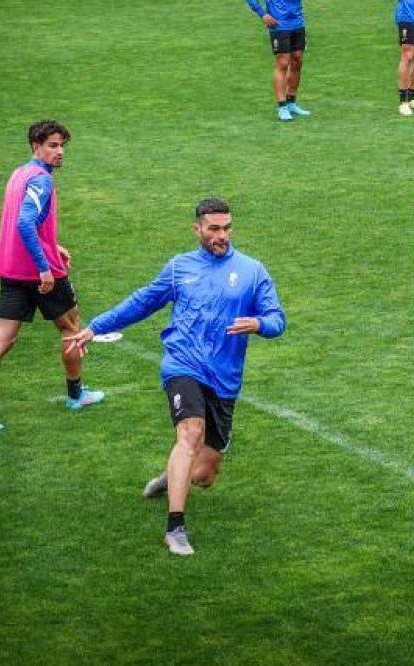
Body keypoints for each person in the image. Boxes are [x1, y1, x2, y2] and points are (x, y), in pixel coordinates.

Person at [64, 198, 286, 556]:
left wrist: (259, 323)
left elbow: (278, 320)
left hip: (225, 379)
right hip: (183, 365)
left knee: (205, 475)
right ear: (197, 229)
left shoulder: (252, 271)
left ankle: (172, 477)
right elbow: (142, 302)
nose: (222, 235)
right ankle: (175, 529)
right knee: (190, 434)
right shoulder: (179, 268)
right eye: (214, 229)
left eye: (227, 228)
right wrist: (96, 327)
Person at [0, 120, 105, 432]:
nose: (60, 151)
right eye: (52, 145)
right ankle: (76, 395)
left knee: (1, 338)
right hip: (41, 273)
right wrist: (43, 265)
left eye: (62, 145)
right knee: (71, 329)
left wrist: (53, 244)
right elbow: (25, 222)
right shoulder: (41, 180)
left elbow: (23, 221)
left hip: (11, 269)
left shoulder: (19, 174)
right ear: (36, 146)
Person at [243, 0, 317, 122]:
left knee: (297, 61)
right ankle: (281, 106)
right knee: (283, 63)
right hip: (278, 24)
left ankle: (292, 102)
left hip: (297, 22)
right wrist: (263, 14)